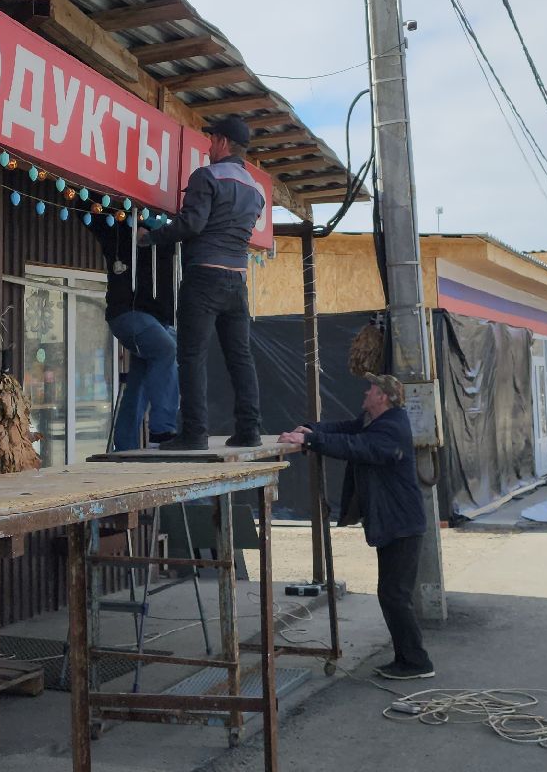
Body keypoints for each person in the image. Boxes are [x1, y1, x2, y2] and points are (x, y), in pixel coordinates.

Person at [280, 373, 434, 680]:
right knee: (391, 593)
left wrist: (310, 440)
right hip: (395, 523)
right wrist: (311, 429)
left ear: (384, 397)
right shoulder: (373, 421)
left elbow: (355, 447)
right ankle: (409, 659)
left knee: (394, 594)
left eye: (372, 389)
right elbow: (344, 430)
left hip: (402, 525)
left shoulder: (391, 428)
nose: (366, 392)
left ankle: (417, 662)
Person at [146, 114, 264, 450]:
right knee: (240, 357)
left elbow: (192, 224)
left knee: (191, 356)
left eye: (212, 140)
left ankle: (195, 433)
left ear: (224, 142)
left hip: (204, 277)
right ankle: (250, 431)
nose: (209, 146)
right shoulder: (255, 192)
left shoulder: (207, 177)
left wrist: (151, 237)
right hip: (237, 281)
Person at [87, 216, 178, 450]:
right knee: (166, 350)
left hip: (156, 319)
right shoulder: (118, 229)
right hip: (128, 313)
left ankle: (125, 442)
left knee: (140, 378)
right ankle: (162, 428)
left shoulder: (170, 236)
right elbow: (90, 213)